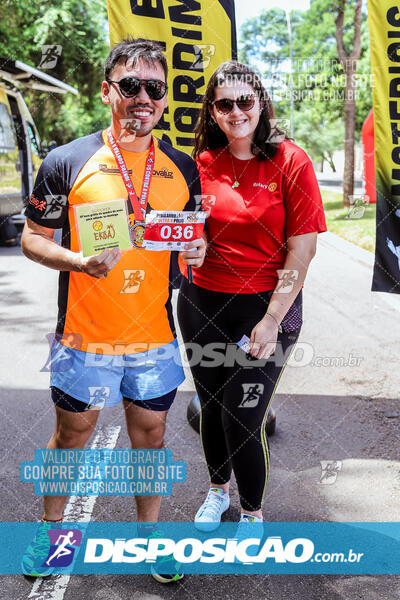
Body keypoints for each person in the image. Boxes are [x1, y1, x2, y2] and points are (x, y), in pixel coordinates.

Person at [20, 37, 206, 583]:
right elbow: (33, 238)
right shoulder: (67, 160)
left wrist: (196, 250)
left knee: (150, 436)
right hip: (85, 335)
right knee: (72, 435)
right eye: (131, 85)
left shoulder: (181, 168)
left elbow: (191, 245)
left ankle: (151, 541)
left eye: (155, 87)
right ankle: (51, 534)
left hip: (153, 336)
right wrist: (77, 261)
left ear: (166, 99)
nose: (143, 96)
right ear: (109, 92)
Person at [177, 61, 326, 531]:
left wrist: (271, 319)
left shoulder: (291, 160)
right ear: (213, 111)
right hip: (202, 304)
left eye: (245, 100)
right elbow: (187, 234)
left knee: (243, 414)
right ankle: (217, 491)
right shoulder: (199, 163)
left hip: (266, 307)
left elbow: (302, 249)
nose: (236, 111)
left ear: (260, 102)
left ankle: (253, 512)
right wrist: (191, 248)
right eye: (224, 104)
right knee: (213, 409)